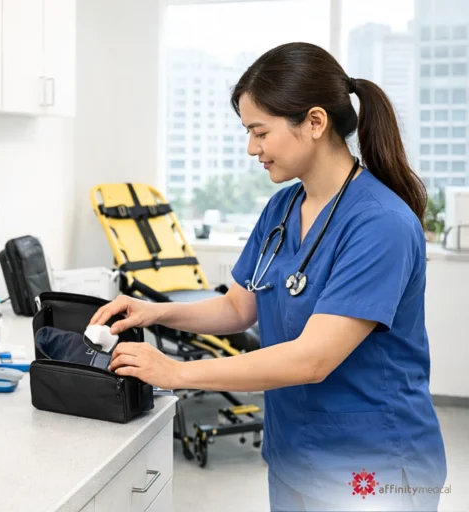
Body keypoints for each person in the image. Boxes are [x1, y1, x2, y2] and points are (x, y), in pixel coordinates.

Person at [89, 42, 447, 512]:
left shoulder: (380, 223)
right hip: (295, 453)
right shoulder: (283, 208)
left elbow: (312, 359)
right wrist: (155, 311)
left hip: (372, 463)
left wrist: (178, 372)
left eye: (260, 131)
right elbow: (238, 307)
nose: (251, 148)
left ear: (315, 123)